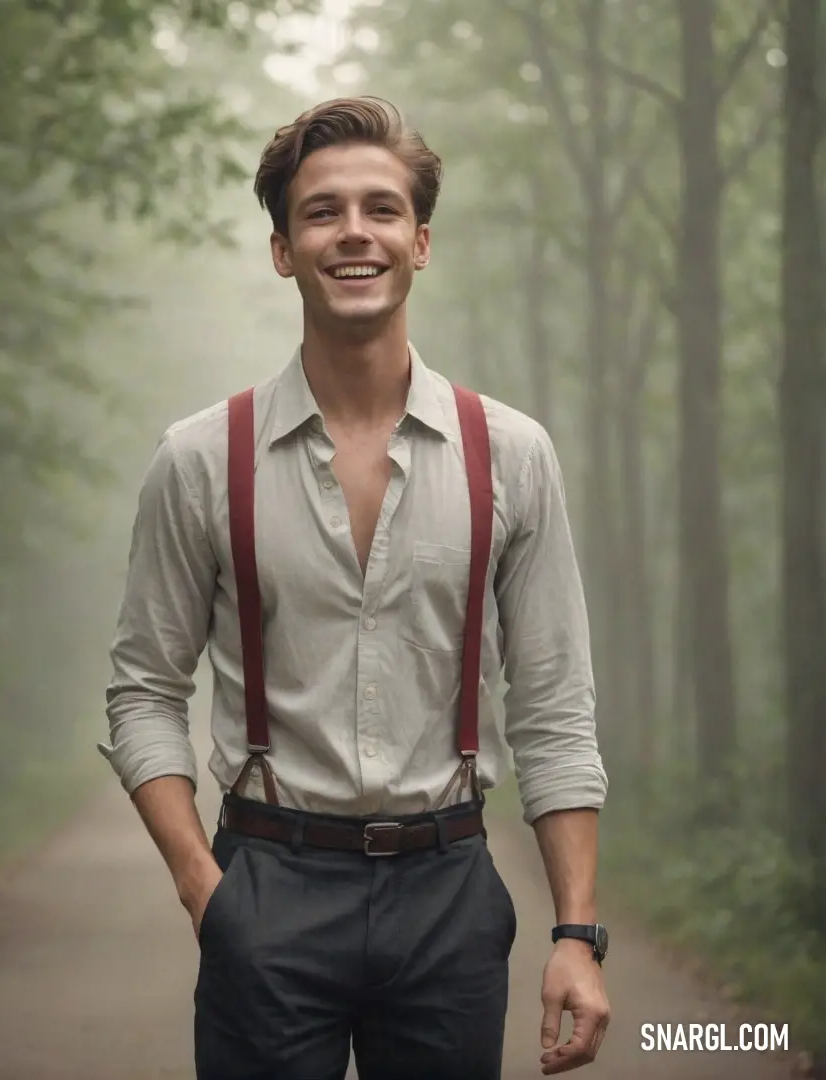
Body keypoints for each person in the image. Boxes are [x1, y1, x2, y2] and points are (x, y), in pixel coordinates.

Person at [101, 95, 611, 1080]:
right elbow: (143, 691)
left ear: (420, 243)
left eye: (381, 209)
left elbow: (554, 709)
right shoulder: (201, 460)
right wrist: (205, 890)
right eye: (321, 211)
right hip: (267, 881)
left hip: (450, 891)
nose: (354, 232)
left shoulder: (511, 454)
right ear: (284, 250)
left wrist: (577, 937)